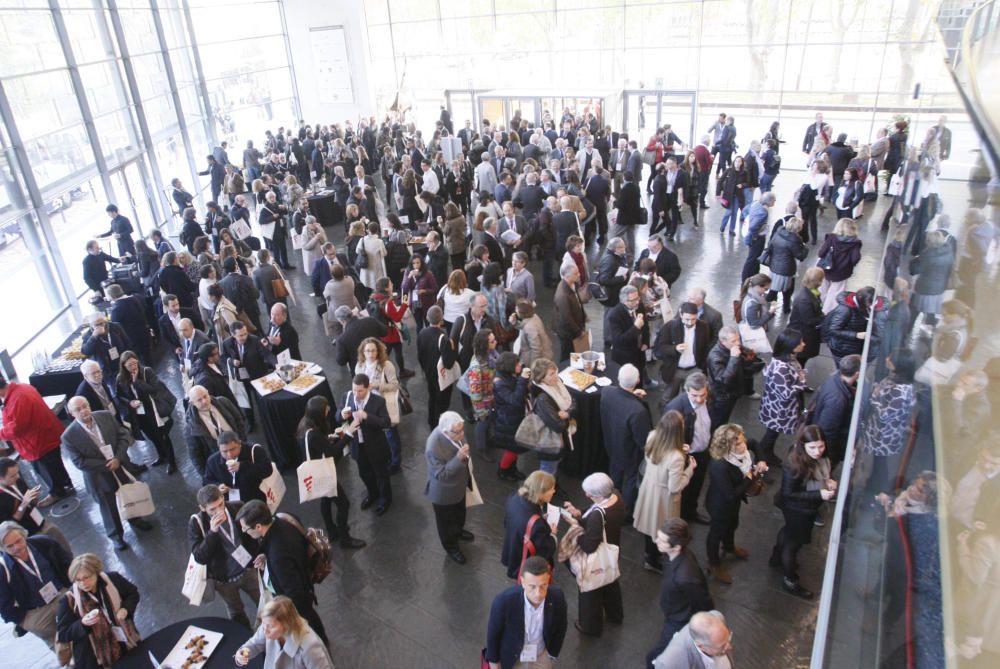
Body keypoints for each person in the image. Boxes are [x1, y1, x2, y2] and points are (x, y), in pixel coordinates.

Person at [60, 396, 152, 551]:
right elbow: (79, 462)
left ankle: (135, 519)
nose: (84, 411)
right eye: (78, 409)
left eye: (85, 406)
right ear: (71, 413)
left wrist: (118, 458)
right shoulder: (68, 436)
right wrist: (107, 465)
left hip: (119, 465)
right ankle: (116, 536)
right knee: (108, 507)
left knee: (128, 494)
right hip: (99, 476)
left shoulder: (105, 416)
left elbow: (122, 435)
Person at [236, 500, 329, 646]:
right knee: (311, 616)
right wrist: (267, 556)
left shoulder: (278, 556)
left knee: (307, 622)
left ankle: (320, 644)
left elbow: (293, 593)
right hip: (304, 579)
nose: (243, 531)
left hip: (297, 600)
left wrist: (286, 616)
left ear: (258, 527)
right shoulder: (283, 519)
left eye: (245, 529)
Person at [770, 425, 837, 599]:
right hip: (797, 510)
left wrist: (827, 481)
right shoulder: (794, 464)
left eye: (820, 446)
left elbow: (819, 474)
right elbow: (789, 493)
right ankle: (790, 579)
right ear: (803, 445)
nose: (817, 451)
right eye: (812, 447)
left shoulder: (817, 458)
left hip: (801, 509)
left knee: (788, 532)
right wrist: (819, 494)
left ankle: (777, 557)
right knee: (793, 544)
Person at [296, 397, 366, 550]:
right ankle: (345, 538)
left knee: (325, 500)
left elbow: (317, 446)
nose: (328, 411)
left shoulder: (305, 425)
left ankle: (332, 531)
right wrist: (348, 434)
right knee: (343, 504)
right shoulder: (313, 433)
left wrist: (329, 438)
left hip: (315, 472)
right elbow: (332, 452)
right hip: (323, 474)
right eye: (326, 409)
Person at [560, 473, 624, 637]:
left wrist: (576, 529)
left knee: (590, 589)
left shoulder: (597, 516)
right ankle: (615, 614)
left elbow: (589, 546)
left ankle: (590, 626)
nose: (586, 496)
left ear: (598, 495)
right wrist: (579, 513)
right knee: (610, 581)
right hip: (611, 550)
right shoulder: (616, 495)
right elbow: (593, 511)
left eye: (589, 494)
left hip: (596, 557)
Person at [645, 518, 714, 668]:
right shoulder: (676, 557)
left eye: (662, 540)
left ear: (676, 547)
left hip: (679, 620)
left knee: (655, 656)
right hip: (675, 612)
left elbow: (703, 602)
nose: (656, 541)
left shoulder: (685, 577)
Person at [189, 484, 260, 628]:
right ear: (202, 508)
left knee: (265, 603)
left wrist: (256, 558)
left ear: (223, 497)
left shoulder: (238, 507)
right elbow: (199, 556)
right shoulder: (197, 523)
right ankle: (244, 640)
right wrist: (212, 533)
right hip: (224, 580)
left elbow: (253, 537)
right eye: (212, 509)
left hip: (248, 570)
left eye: (220, 504)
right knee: (236, 614)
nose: (218, 511)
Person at [634, 410, 696, 573]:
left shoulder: (652, 436)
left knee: (649, 523)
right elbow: (675, 486)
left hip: (649, 487)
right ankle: (653, 559)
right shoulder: (676, 457)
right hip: (663, 497)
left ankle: (650, 554)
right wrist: (690, 470)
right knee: (661, 526)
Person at [705, 423, 767, 584]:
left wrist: (761, 460)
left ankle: (729, 547)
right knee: (716, 533)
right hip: (720, 504)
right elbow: (730, 495)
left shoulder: (744, 448)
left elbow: (754, 443)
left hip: (733, 502)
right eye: (738, 444)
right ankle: (714, 563)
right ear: (726, 447)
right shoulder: (720, 466)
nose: (743, 445)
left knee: (733, 524)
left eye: (741, 440)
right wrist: (750, 476)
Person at [56, 553, 140, 669]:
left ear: (97, 572)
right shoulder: (69, 600)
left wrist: (126, 609)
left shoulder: (113, 580)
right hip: (95, 657)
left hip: (125, 642)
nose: (83, 584)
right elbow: (63, 634)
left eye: (87, 577)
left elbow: (132, 593)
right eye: (78, 580)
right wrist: (83, 623)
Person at [0, 521, 72, 656]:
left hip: (61, 592)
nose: (16, 547)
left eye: (18, 541)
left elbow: (66, 563)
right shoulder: (2, 570)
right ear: (2, 549)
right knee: (63, 649)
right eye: (10, 546)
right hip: (36, 611)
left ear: (24, 535)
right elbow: (4, 606)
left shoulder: (44, 543)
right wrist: (25, 622)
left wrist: (72, 587)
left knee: (80, 626)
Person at [485, 555, 568, 669]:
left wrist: (552, 655)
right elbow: (493, 634)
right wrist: (494, 663)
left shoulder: (558, 597)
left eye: (543, 586)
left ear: (548, 580)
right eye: (532, 587)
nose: (538, 593)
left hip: (541, 656)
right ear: (523, 582)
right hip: (512, 658)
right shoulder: (504, 601)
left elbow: (561, 627)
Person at [0, 379, 73, 503]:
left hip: (37, 443)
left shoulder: (17, 398)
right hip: (46, 436)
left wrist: (1, 433)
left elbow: (17, 428)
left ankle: (57, 492)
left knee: (47, 470)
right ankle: (66, 484)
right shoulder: (22, 388)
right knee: (55, 465)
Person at [599, 364, 652, 518]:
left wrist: (634, 397)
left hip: (611, 444)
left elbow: (620, 403)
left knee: (615, 474)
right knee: (630, 480)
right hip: (629, 453)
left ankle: (610, 500)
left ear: (618, 378)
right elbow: (643, 440)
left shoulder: (607, 392)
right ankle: (626, 512)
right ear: (637, 381)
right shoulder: (637, 411)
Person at [862, 349, 917, 492]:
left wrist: (873, 396)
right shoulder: (899, 381)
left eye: (890, 358)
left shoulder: (900, 390)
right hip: (884, 433)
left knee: (880, 465)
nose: (887, 359)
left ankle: (877, 489)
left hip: (884, 436)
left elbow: (885, 414)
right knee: (878, 463)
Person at [424, 411, 475, 565]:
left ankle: (458, 531)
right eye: (458, 432)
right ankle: (451, 547)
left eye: (462, 430)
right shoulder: (433, 446)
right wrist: (458, 458)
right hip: (444, 492)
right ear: (446, 431)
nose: (462, 434)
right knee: (446, 523)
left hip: (459, 485)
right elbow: (440, 474)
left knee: (460, 513)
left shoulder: (455, 431)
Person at [663, 373, 715, 525]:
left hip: (703, 451)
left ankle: (691, 511)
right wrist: (679, 447)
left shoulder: (709, 400)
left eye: (703, 395)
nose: (699, 400)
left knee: (697, 484)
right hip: (685, 456)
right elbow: (666, 437)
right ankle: (680, 520)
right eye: (695, 395)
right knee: (683, 490)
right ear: (686, 390)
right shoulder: (674, 409)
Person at [114, 351, 177, 473]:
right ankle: (162, 456)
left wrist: (137, 381)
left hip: (153, 411)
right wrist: (129, 403)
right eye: (129, 365)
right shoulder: (120, 378)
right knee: (151, 436)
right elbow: (119, 396)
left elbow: (155, 389)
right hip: (139, 414)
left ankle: (171, 461)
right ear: (123, 366)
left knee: (163, 436)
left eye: (134, 363)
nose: (133, 367)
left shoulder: (146, 372)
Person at [340, 374, 393, 515]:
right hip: (358, 445)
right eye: (354, 390)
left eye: (360, 391)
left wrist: (367, 416)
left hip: (375, 446)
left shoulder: (378, 401)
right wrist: (341, 415)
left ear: (368, 387)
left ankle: (385, 499)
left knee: (381, 475)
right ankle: (372, 494)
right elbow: (337, 416)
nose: (356, 394)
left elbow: (386, 423)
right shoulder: (347, 396)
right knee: (364, 473)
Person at [757, 328, 809, 467]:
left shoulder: (783, 359)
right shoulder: (782, 366)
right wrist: (802, 382)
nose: (804, 344)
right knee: (770, 435)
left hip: (777, 408)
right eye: (800, 342)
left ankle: (766, 454)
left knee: (772, 435)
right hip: (779, 411)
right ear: (791, 346)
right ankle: (761, 457)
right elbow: (785, 394)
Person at [235, 595, 333, 668]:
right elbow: (254, 644)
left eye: (270, 626)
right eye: (263, 623)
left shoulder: (309, 646)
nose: (264, 630)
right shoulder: (267, 626)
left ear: (286, 624)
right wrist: (243, 653)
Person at [355, 337, 404, 473]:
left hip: (384, 405)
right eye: (368, 351)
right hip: (368, 405)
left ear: (378, 351)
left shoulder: (386, 365)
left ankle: (395, 462)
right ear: (363, 352)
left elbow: (395, 385)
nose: (370, 354)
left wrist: (377, 386)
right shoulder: (359, 366)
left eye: (373, 351)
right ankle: (383, 458)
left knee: (391, 435)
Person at [502, 471, 559, 579]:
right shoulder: (536, 524)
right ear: (541, 493)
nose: (553, 491)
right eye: (551, 489)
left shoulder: (514, 498)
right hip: (525, 562)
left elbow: (507, 522)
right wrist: (553, 535)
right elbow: (545, 549)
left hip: (512, 548)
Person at [654, 303, 710, 399]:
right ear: (681, 314)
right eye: (687, 319)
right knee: (668, 398)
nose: (690, 323)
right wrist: (674, 349)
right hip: (675, 370)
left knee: (691, 399)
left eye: (693, 319)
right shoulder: (669, 327)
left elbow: (705, 348)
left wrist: (702, 368)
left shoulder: (703, 327)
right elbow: (659, 349)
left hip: (694, 370)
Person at [530, 358, 575, 477]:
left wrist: (568, 413)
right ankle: (549, 492)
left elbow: (572, 401)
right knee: (548, 472)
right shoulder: (543, 398)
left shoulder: (557, 383)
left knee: (553, 466)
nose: (556, 376)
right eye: (551, 374)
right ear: (541, 378)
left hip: (557, 440)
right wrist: (566, 417)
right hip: (548, 443)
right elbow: (558, 426)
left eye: (555, 372)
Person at [651, 610, 734, 669]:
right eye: (722, 646)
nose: (730, 647)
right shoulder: (670, 663)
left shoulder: (716, 618)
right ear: (701, 646)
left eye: (728, 638)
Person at [824, 285, 886, 365]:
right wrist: (856, 335)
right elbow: (833, 330)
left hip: (852, 347)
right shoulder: (844, 310)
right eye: (869, 305)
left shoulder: (862, 306)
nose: (871, 307)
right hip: (841, 349)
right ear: (862, 302)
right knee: (845, 370)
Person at [817, 218, 863, 313]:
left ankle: (817, 307)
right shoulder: (855, 243)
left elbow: (821, 253)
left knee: (822, 289)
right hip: (841, 273)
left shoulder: (831, 238)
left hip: (826, 269)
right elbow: (855, 258)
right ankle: (827, 312)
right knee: (835, 293)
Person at [788, 267, 826, 367]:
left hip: (805, 332)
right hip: (803, 333)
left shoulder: (811, 292)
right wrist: (825, 317)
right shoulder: (804, 299)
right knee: (800, 358)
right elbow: (809, 320)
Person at [553, 263, 588, 362]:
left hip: (572, 327)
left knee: (573, 351)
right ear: (567, 276)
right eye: (576, 273)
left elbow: (577, 301)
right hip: (566, 331)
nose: (579, 275)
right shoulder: (563, 295)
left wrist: (583, 314)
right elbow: (566, 317)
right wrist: (578, 331)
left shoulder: (573, 284)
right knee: (567, 354)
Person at [81, 313, 132, 379]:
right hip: (107, 369)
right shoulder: (88, 335)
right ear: (91, 325)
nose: (100, 326)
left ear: (105, 321)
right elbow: (86, 351)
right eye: (96, 325)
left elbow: (127, 343)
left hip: (122, 362)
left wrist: (128, 359)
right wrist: (94, 337)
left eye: (102, 323)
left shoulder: (115, 327)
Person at [740, 191, 776, 283]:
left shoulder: (755, 204)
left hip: (754, 237)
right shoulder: (763, 212)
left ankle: (754, 276)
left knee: (755, 258)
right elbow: (753, 227)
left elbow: (744, 211)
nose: (774, 202)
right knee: (752, 259)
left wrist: (748, 218)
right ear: (769, 201)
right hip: (757, 239)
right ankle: (746, 279)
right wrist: (750, 239)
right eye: (773, 200)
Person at [716, 155, 747, 236]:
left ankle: (731, 229)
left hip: (738, 196)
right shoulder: (729, 171)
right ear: (734, 162)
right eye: (736, 161)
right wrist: (718, 193)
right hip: (727, 195)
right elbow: (720, 181)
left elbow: (747, 183)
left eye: (739, 161)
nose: (737, 163)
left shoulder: (744, 173)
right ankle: (723, 225)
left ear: (742, 163)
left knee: (735, 213)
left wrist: (742, 185)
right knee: (728, 212)